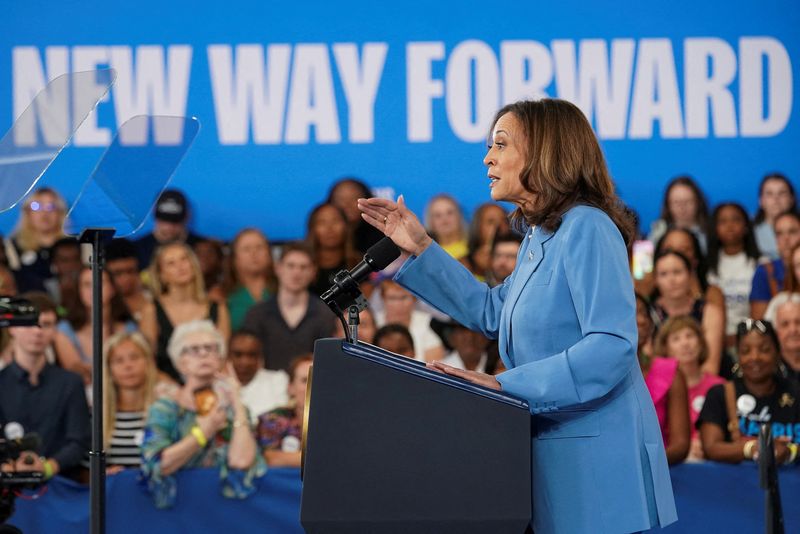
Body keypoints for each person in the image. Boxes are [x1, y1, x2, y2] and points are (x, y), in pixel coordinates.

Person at [358, 98, 676, 533]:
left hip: (595, 465)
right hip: (552, 459)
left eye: (501, 144)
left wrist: (503, 385)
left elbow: (612, 345)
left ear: (544, 150)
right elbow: (494, 310)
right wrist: (422, 247)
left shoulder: (588, 227)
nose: (488, 157)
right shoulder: (540, 236)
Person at [141, 320, 264, 509]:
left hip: (224, 507)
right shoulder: (165, 409)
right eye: (193, 349)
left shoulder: (235, 409)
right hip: (178, 506)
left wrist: (237, 401)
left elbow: (241, 461)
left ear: (221, 358)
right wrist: (203, 432)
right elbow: (158, 464)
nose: (204, 354)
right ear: (180, 363)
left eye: (210, 348)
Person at [0, 292, 90, 481]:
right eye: (29, 323)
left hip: (60, 487)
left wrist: (48, 467)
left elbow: (79, 440)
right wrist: (11, 467)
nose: (37, 331)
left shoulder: (70, 383)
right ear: (12, 329)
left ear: (55, 331)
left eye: (47, 324)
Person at [698, 319, 800, 465]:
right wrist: (752, 448)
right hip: (736, 484)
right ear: (738, 357)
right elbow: (711, 447)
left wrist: (790, 451)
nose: (755, 357)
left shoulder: (796, 392)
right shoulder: (720, 394)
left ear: (778, 353)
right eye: (746, 351)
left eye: (764, 349)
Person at [140, 242, 231, 382]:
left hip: (211, 386)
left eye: (184, 259)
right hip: (167, 388)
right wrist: (176, 392)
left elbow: (222, 357)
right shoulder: (151, 310)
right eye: (171, 263)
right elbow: (147, 361)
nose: (180, 266)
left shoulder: (218, 307)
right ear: (161, 274)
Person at [242, 242, 336, 372]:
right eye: (290, 266)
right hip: (266, 388)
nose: (297, 273)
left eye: (303, 267)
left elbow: (328, 361)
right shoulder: (257, 314)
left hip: (310, 388)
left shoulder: (325, 315)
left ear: (313, 272)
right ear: (278, 268)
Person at [653, 315, 724, 460]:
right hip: (672, 463)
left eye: (689, 336)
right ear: (665, 348)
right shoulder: (659, 388)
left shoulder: (720, 386)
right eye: (676, 339)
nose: (685, 343)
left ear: (700, 342)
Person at [55, 267, 138, 387]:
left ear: (112, 288)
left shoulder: (129, 328)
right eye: (87, 285)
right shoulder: (64, 330)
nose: (94, 289)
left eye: (100, 282)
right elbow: (76, 373)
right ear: (79, 291)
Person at [650, 250, 725, 375]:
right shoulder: (648, 314)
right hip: (660, 387)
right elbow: (648, 363)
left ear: (690, 275)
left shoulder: (709, 311)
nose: (672, 280)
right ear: (655, 279)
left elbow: (711, 367)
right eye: (664, 274)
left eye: (677, 272)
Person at [103, 331, 166, 473]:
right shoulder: (98, 417)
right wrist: (102, 475)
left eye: (134, 357)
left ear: (148, 362)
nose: (128, 366)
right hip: (114, 491)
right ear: (109, 370)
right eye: (118, 360)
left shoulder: (165, 410)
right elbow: (84, 472)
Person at [635, 304, 691, 465]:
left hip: (660, 475)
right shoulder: (598, 377)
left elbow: (680, 446)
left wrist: (639, 467)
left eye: (644, 313)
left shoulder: (669, 373)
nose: (641, 320)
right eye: (632, 312)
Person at [706, 203, 761, 349]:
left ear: (746, 226)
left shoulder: (761, 264)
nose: (730, 226)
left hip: (751, 339)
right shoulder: (707, 267)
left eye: (736, 220)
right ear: (715, 229)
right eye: (723, 221)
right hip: (715, 340)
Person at [3, 187, 67, 293]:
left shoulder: (72, 247)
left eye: (50, 207)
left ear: (60, 212)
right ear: (27, 212)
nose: (44, 213)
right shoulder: (12, 247)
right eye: (36, 206)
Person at [257, 354, 312, 468]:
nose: (313, 385)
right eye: (305, 380)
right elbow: (271, 459)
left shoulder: (339, 421)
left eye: (319, 379)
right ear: (290, 387)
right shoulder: (273, 418)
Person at [373, 280, 444, 362]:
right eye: (392, 298)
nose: (398, 304)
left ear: (414, 299)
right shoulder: (373, 321)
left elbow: (434, 364)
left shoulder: (429, 323)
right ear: (383, 298)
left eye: (403, 297)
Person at [228, 329, 288, 423]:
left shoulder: (277, 380)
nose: (245, 362)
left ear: (261, 357)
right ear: (228, 355)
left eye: (252, 355)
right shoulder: (217, 384)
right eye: (238, 354)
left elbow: (281, 419)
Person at [133, 189, 205, 268]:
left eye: (175, 221)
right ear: (153, 213)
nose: (169, 227)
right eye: (164, 220)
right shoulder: (137, 249)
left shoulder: (202, 248)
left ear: (187, 216)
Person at [223, 228, 276, 331]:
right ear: (234, 259)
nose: (254, 253)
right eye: (246, 249)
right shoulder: (222, 296)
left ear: (269, 255)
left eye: (259, 247)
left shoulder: (284, 290)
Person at [750, 210, 800, 319]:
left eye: (792, 231)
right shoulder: (765, 271)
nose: (786, 238)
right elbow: (759, 325)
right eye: (779, 233)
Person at [305, 203, 361, 297]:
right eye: (322, 222)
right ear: (313, 228)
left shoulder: (360, 264)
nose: (329, 228)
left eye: (335, 221)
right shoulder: (301, 265)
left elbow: (365, 305)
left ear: (346, 226)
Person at [648, 176, 710, 253]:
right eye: (676, 202)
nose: (682, 207)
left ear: (698, 202)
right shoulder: (658, 233)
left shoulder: (711, 233)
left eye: (688, 201)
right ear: (668, 205)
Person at [326, 177, 384, 254]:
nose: (347, 204)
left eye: (354, 198)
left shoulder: (381, 238)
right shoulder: (324, 235)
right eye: (341, 199)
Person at [105, 238, 151, 323]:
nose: (126, 278)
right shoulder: (101, 306)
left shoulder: (153, 298)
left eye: (130, 271)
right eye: (117, 273)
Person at [461, 203, 510, 280]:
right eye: (491, 222)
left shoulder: (520, 257)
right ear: (478, 227)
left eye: (504, 221)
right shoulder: (464, 265)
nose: (499, 226)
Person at [753, 173, 796, 260]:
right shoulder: (750, 233)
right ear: (761, 201)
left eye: (782, 193)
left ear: (792, 199)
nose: (776, 198)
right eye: (769, 193)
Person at [764, 292, 800, 383]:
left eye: (798, 322)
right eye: (785, 324)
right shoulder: (766, 371)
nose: (793, 330)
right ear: (774, 331)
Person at [424, 194, 469, 260]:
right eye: (438, 215)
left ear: (459, 216)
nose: (444, 219)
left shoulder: (473, 248)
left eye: (450, 213)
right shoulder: (427, 255)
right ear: (430, 222)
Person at [43, 237, 82, 308]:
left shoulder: (90, 285)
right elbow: (59, 313)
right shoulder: (46, 288)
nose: (71, 265)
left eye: (76, 259)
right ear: (54, 263)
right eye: (64, 260)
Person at [192, 238, 226, 303]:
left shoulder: (227, 289)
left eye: (209, 252)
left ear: (220, 260)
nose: (203, 257)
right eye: (198, 252)